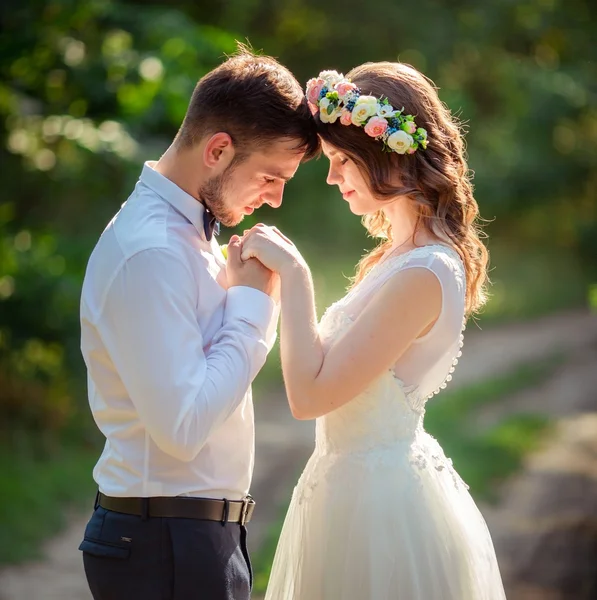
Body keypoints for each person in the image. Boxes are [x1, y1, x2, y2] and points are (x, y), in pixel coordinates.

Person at [240, 64, 507, 599]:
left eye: (342, 161)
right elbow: (322, 367)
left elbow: (309, 396)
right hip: (345, 485)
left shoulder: (424, 273)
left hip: (379, 508)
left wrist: (294, 277)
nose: (333, 177)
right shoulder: (395, 258)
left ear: (386, 153)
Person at [77, 46, 318, 600]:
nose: (276, 199)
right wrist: (254, 309)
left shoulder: (186, 237)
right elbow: (182, 428)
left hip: (189, 540)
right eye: (270, 176)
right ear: (218, 150)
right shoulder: (152, 251)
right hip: (162, 546)